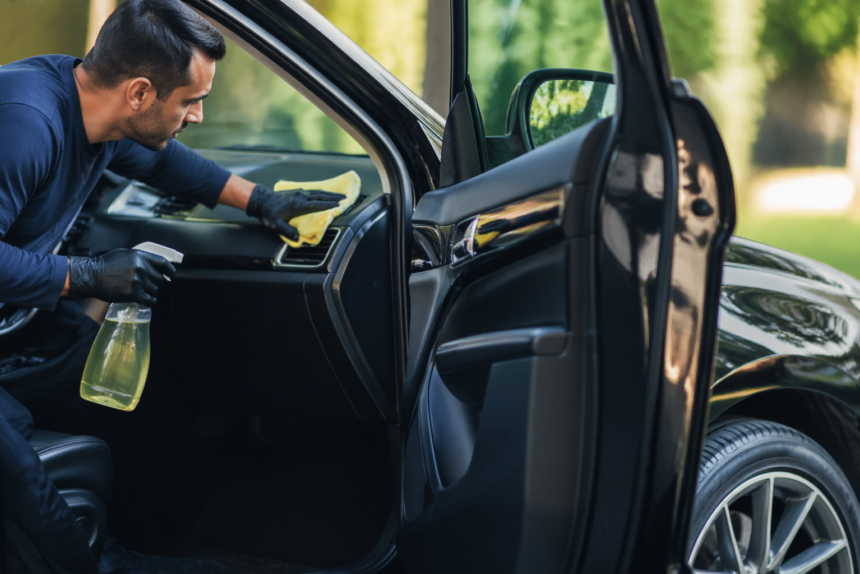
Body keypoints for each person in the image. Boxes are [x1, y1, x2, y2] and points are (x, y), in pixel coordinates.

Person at [0, 0, 344, 571]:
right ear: (139, 93)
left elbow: (165, 165)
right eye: (192, 102)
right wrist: (87, 275)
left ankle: (168, 522)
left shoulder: (97, 107)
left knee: (134, 388)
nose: (199, 116)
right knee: (16, 468)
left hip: (15, 319)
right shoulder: (25, 121)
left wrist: (261, 200)